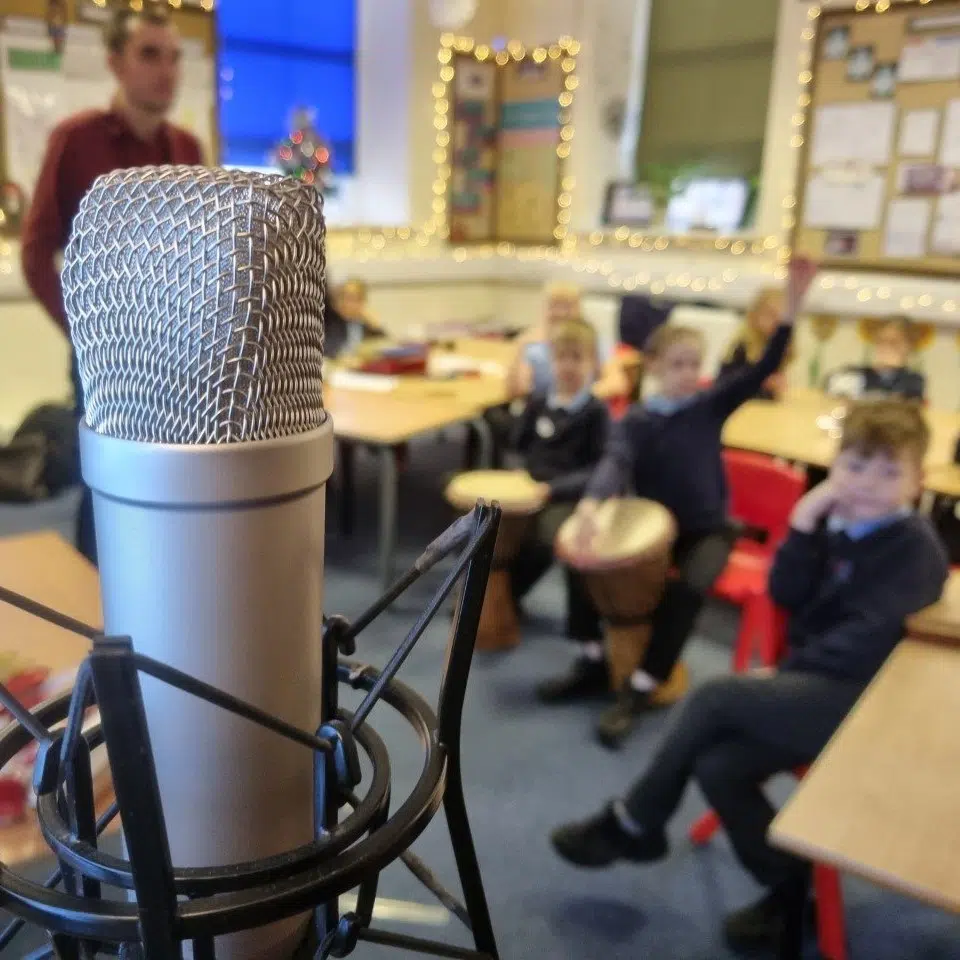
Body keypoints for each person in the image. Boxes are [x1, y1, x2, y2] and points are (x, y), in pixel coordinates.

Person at [549, 398, 948, 954]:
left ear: (918, 480)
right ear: (835, 467)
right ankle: (788, 888)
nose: (867, 484)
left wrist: (782, 675)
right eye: (854, 466)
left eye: (888, 472)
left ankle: (634, 822)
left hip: (865, 702)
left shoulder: (912, 547)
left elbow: (864, 644)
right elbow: (785, 592)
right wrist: (805, 522)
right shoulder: (837, 525)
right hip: (819, 687)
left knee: (715, 698)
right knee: (719, 767)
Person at [537, 257, 819, 749]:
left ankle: (643, 686)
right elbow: (615, 462)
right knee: (582, 561)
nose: (689, 375)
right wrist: (589, 507)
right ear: (654, 368)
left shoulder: (709, 406)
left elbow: (766, 366)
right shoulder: (639, 420)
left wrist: (793, 305)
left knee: (688, 589)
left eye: (695, 364)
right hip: (655, 526)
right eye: (678, 366)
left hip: (708, 528)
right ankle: (590, 659)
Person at [21, 6, 202, 565]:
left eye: (173, 57)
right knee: (107, 483)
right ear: (115, 63)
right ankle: (95, 611)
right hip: (106, 353)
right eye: (150, 54)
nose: (166, 70)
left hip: (177, 349)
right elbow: (35, 252)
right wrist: (84, 328)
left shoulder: (188, 151)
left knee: (179, 478)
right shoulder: (76, 141)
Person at [506, 318, 609, 636]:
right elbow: (518, 445)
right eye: (561, 357)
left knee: (547, 537)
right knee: (486, 527)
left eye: (577, 358)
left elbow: (598, 468)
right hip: (529, 486)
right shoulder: (539, 402)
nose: (568, 366)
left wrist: (552, 489)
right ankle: (490, 597)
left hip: (567, 495)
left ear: (593, 363)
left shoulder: (595, 411)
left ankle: (509, 596)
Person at [506, 283, 629, 400]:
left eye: (567, 306)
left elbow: (617, 382)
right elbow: (519, 390)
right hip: (545, 411)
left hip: (583, 412)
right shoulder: (533, 345)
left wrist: (577, 399)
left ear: (579, 309)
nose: (560, 313)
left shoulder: (594, 341)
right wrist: (520, 347)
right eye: (554, 306)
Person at [716, 287, 794, 401]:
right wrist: (764, 384)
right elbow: (730, 391)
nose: (777, 321)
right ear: (754, 315)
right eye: (771, 314)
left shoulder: (774, 348)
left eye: (781, 317)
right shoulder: (742, 348)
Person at [823, 316, 925, 402]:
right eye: (881, 340)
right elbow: (831, 386)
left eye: (894, 342)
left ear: (909, 346)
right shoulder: (856, 373)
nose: (885, 347)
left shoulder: (913, 380)